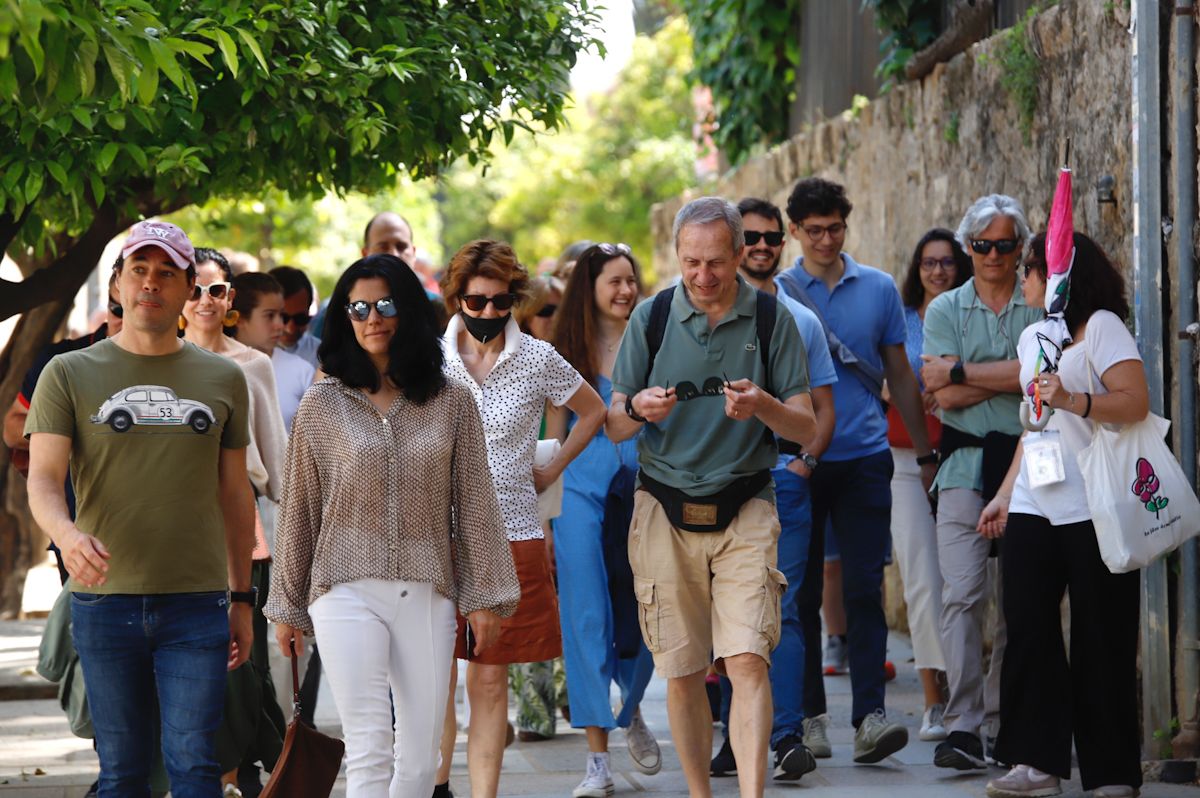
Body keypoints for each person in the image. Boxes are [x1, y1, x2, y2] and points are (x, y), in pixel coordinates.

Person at [266, 254, 520, 798]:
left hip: (429, 592)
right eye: (357, 307)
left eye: (384, 304)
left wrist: (487, 595)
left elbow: (475, 502)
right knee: (369, 748)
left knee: (422, 754)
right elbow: (300, 509)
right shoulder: (321, 405)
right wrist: (286, 607)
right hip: (343, 592)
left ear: (406, 310)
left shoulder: (451, 401)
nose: (372, 317)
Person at [25, 220, 257, 797]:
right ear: (118, 284)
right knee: (122, 773)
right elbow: (44, 482)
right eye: (140, 270)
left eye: (167, 274)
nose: (152, 283)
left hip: (196, 604)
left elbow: (235, 495)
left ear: (186, 290)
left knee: (194, 766)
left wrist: (243, 597)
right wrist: (67, 534)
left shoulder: (224, 378)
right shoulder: (68, 373)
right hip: (104, 604)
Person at [609, 197, 817, 798]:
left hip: (746, 503)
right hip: (663, 509)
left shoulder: (775, 320)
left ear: (738, 256)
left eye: (716, 263)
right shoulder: (649, 320)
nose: (703, 276)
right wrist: (638, 407)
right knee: (683, 669)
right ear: (677, 256)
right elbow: (615, 424)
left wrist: (764, 408)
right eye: (691, 262)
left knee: (748, 658)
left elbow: (806, 428)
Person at [979, 233, 1146, 798]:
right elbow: (1034, 426)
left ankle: (1112, 772)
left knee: (1103, 637)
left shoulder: (1101, 327)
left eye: (1029, 269)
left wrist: (1075, 399)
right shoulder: (1033, 337)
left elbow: (1135, 401)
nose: (1022, 278)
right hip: (1033, 503)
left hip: (1096, 504)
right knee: (1027, 631)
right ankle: (1035, 762)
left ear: (1057, 277)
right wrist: (1005, 493)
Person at [439, 239, 607, 798]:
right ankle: (437, 786)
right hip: (434, 535)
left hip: (512, 532)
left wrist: (552, 466)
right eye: (476, 301)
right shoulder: (427, 358)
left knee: (489, 682)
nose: (488, 313)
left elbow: (593, 410)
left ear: (515, 299)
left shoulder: (537, 357)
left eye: (500, 302)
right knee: (434, 682)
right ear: (456, 298)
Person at [775, 177, 934, 763]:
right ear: (795, 231)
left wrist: (923, 453)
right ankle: (812, 719)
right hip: (800, 464)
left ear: (846, 226)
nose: (824, 239)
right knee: (804, 592)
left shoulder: (880, 289)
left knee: (866, 588)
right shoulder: (780, 293)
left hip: (866, 457)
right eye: (812, 230)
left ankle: (870, 715)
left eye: (834, 228)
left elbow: (899, 375)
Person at [709, 197, 839, 781]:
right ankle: (737, 737)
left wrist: (804, 464)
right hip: (713, 485)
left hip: (781, 479)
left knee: (779, 610)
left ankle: (784, 735)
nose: (762, 247)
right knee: (722, 618)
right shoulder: (690, 315)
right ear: (736, 246)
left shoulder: (800, 321)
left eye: (770, 238)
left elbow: (822, 409)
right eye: (751, 238)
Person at [920, 196, 1043, 771]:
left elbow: (1041, 379)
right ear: (969, 248)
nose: (993, 255)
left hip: (1030, 464)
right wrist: (1014, 379)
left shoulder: (1038, 304)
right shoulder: (945, 308)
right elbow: (940, 397)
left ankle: (1004, 718)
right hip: (965, 465)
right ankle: (964, 725)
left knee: (1018, 604)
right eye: (982, 245)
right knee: (962, 594)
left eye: (1005, 245)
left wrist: (965, 371)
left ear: (1021, 249)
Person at [550, 242, 661, 796]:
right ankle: (597, 761)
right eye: (614, 281)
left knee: (651, 612)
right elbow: (550, 437)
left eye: (631, 280)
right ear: (589, 288)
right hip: (578, 494)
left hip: (648, 491)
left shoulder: (657, 341)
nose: (625, 290)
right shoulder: (561, 350)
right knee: (586, 617)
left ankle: (633, 706)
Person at [183, 248, 290, 796]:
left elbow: (278, 468)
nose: (205, 300)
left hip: (240, 527)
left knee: (241, 666)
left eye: (217, 289)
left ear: (230, 299)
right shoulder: (155, 363)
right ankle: (227, 771)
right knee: (191, 665)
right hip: (172, 529)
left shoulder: (253, 365)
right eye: (195, 288)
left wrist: (301, 551)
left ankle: (236, 774)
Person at [891, 229, 973, 741]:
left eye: (947, 262)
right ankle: (932, 698)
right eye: (929, 263)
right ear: (916, 269)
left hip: (965, 452)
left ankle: (970, 692)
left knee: (964, 582)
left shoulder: (972, 316)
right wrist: (911, 390)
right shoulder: (899, 320)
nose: (938, 271)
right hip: (904, 457)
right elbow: (883, 377)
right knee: (922, 577)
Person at [231, 271, 316, 432]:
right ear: (239, 319)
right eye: (269, 316)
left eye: (281, 315)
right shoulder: (219, 367)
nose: (280, 325)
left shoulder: (301, 370)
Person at [268, 265, 321, 370]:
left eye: (300, 318)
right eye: (283, 317)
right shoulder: (242, 354)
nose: (290, 329)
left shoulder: (324, 357)